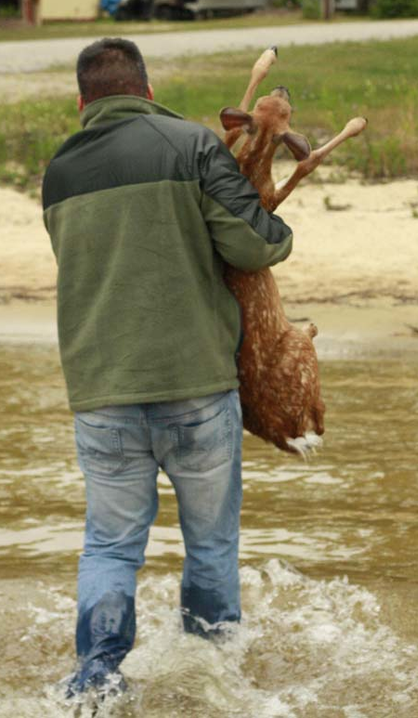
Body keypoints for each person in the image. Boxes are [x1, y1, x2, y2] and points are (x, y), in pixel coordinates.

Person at [42, 37, 293, 702]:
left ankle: (96, 674)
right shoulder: (191, 144)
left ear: (82, 103)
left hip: (101, 391)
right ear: (147, 92)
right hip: (196, 386)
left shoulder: (59, 170)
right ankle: (210, 678)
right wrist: (273, 224)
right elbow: (256, 244)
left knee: (109, 546)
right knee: (211, 544)